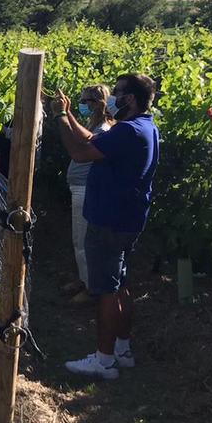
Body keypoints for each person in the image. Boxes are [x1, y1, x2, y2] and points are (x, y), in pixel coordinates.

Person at [51, 74, 160, 380]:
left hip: (110, 220)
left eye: (119, 93)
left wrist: (59, 117)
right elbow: (92, 140)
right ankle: (123, 350)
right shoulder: (142, 127)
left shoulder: (128, 131)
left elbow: (80, 153)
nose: (113, 98)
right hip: (126, 219)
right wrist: (70, 113)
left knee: (106, 291)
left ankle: (104, 360)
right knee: (121, 285)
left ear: (131, 99)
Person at [63, 84, 115, 305]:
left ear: (98, 104)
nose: (83, 105)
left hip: (86, 190)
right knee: (80, 239)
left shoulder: (102, 129)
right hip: (80, 188)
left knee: (82, 241)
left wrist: (64, 115)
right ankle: (84, 280)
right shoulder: (93, 125)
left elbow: (82, 145)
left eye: (86, 102)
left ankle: (90, 288)